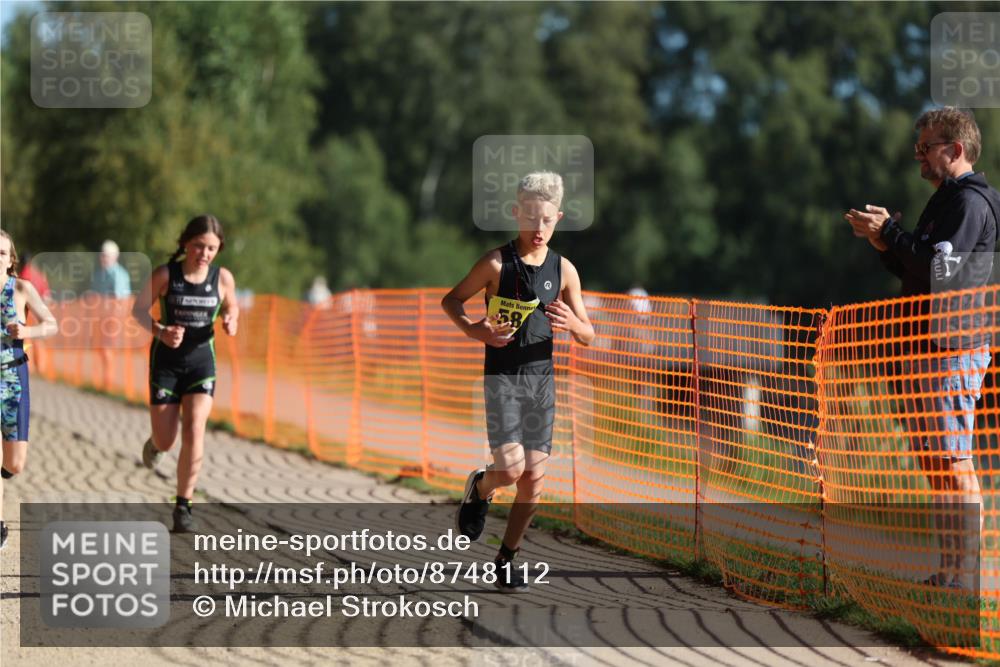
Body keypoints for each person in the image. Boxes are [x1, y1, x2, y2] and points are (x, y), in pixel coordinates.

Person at [845, 107, 1000, 590]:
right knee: (935, 459)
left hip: (952, 347)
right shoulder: (946, 201)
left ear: (954, 150)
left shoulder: (970, 203)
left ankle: (966, 574)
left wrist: (890, 232)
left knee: (952, 460)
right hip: (926, 345)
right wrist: (885, 245)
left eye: (925, 147)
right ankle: (952, 569)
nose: (918, 156)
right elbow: (920, 272)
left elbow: (940, 271)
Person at [442, 171, 595, 592]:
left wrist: (573, 325)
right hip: (502, 382)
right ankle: (481, 486)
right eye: (530, 218)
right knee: (510, 470)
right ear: (516, 213)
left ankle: (506, 559)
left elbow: (589, 334)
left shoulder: (564, 271)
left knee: (534, 480)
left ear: (558, 217)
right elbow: (451, 300)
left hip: (541, 387)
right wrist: (478, 331)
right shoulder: (495, 264)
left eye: (547, 220)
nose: (538, 228)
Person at [131, 215, 239, 533]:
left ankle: (183, 505)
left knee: (194, 429)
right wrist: (161, 330)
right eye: (198, 246)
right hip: (166, 363)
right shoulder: (166, 275)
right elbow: (138, 310)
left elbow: (232, 307)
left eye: (211, 249)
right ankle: (156, 445)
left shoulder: (223, 279)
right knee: (167, 439)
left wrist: (232, 321)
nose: (203, 254)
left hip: (201, 363)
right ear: (185, 244)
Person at [0, 231, 58, 548]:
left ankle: (4, 473)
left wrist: (27, 330)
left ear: (11, 260)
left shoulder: (21, 289)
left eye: (1, 253)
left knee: (15, 463)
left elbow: (52, 323)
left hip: (13, 378)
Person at [89, 240, 132, 391]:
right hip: (101, 318)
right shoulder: (99, 274)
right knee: (102, 349)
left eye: (106, 255)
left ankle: (109, 382)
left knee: (108, 349)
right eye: (102, 255)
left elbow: (119, 301)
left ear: (115, 257)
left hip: (113, 319)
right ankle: (106, 380)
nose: (103, 258)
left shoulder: (119, 275)